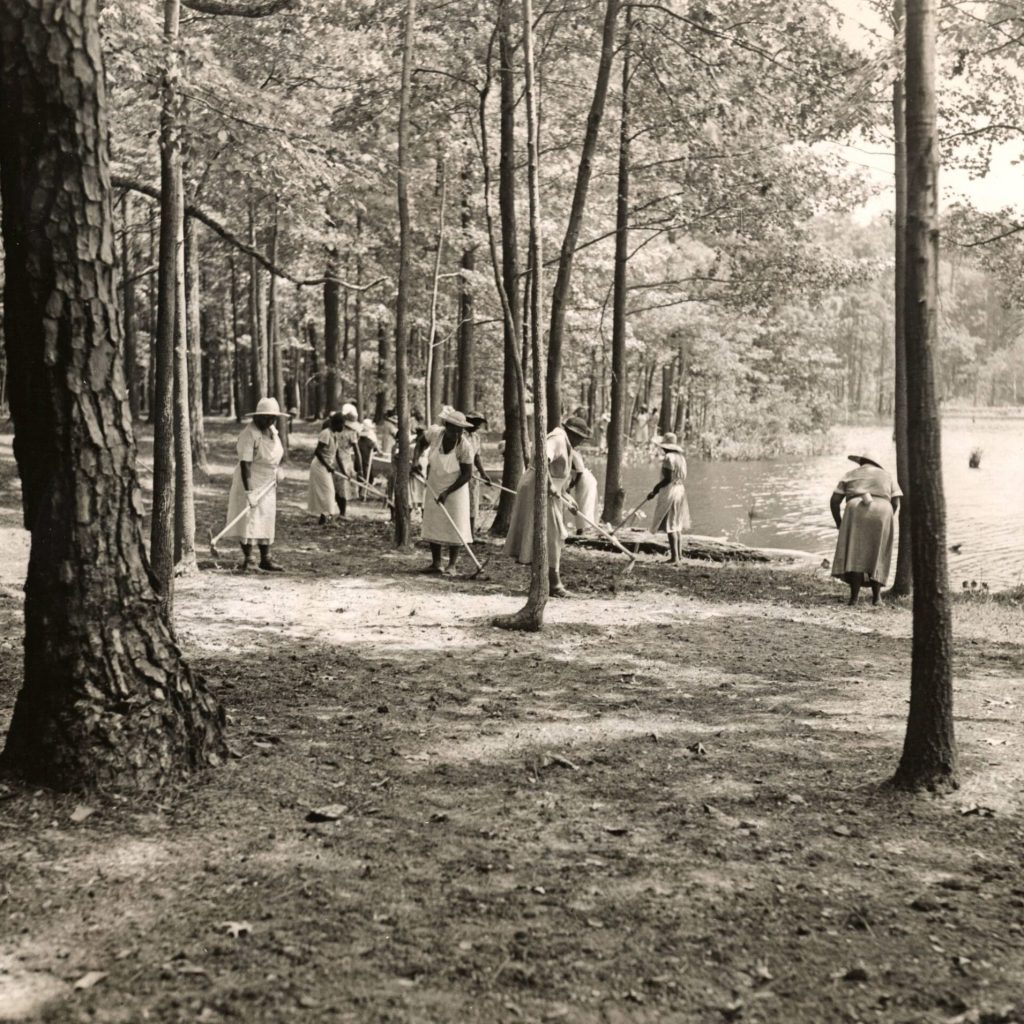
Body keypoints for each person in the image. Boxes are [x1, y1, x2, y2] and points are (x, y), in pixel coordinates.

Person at [504, 415, 590, 597]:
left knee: (549, 535)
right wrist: (549, 485)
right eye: (580, 438)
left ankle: (543, 581)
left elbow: (557, 474)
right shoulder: (557, 439)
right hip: (537, 487)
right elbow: (541, 459)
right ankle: (554, 584)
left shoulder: (566, 443)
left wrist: (566, 496)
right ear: (572, 433)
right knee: (552, 534)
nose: (581, 442)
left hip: (549, 488)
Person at [224, 396, 289, 571]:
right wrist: (249, 492)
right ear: (257, 416)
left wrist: (278, 469)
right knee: (249, 520)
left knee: (266, 518)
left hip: (268, 482)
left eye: (272, 418)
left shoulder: (273, 431)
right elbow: (245, 465)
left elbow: (275, 456)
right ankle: (249, 559)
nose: (269, 421)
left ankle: (266, 558)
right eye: (266, 418)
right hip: (250, 479)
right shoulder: (249, 434)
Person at [830, 451, 902, 606]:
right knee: (879, 553)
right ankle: (877, 598)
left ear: (861, 462)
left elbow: (834, 501)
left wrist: (839, 522)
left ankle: (854, 598)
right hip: (883, 511)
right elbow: (896, 502)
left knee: (854, 553)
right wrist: (886, 519)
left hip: (855, 510)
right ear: (877, 464)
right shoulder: (887, 476)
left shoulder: (850, 474)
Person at [418, 407, 474, 574]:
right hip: (434, 483)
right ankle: (436, 563)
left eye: (460, 431)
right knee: (434, 522)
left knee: (455, 523)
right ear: (446, 426)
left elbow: (467, 475)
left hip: (456, 488)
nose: (457, 434)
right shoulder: (436, 434)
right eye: (454, 430)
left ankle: (452, 565)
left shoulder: (465, 446)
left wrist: (447, 492)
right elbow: (420, 443)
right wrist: (414, 462)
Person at [646, 432, 691, 565]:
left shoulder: (668, 458)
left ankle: (674, 558)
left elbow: (668, 479)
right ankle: (679, 556)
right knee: (676, 524)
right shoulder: (681, 458)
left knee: (670, 524)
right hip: (680, 490)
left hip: (671, 491)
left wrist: (655, 490)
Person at [307, 411, 345, 524]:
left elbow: (337, 455)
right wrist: (328, 466)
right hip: (319, 466)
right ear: (337, 423)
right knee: (329, 491)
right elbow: (317, 452)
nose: (343, 427)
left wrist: (344, 472)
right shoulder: (326, 433)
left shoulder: (334, 435)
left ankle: (324, 517)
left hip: (326, 466)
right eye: (342, 424)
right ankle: (329, 518)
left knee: (327, 492)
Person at [464, 411, 493, 538]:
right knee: (461, 503)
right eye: (476, 423)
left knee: (472, 504)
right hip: (460, 474)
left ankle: (471, 534)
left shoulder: (476, 437)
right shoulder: (460, 435)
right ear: (468, 421)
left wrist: (483, 474)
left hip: (473, 476)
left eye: (479, 424)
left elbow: (477, 457)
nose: (478, 426)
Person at [333, 410, 363, 517]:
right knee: (343, 488)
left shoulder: (335, 431)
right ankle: (342, 512)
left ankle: (340, 511)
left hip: (333, 460)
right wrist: (360, 469)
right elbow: (357, 452)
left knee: (337, 487)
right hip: (345, 461)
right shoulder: (351, 433)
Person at [569, 444, 598, 535]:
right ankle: (582, 528)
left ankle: (583, 529)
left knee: (583, 505)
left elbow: (580, 471)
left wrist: (572, 485)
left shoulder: (573, 454)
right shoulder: (567, 454)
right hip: (581, 481)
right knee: (580, 504)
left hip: (585, 480)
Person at [358, 418, 382, 493]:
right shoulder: (368, 441)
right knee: (367, 476)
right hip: (366, 461)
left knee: (364, 475)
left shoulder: (360, 440)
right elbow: (375, 447)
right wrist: (379, 451)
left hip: (361, 460)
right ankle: (365, 491)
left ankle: (363, 491)